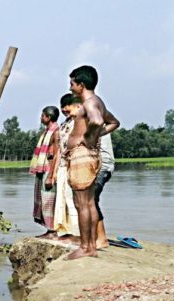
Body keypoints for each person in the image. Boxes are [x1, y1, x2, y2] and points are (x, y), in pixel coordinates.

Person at [65, 65, 120, 260]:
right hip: (87, 155)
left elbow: (97, 121)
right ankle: (90, 246)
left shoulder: (89, 103)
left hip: (83, 155)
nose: (70, 87)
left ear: (81, 84)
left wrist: (87, 137)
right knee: (88, 203)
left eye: (72, 83)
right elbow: (114, 122)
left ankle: (86, 246)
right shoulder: (97, 101)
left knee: (82, 203)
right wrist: (96, 135)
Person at [29, 106, 60, 239]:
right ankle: (49, 230)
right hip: (43, 170)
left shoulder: (55, 132)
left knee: (49, 200)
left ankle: (52, 231)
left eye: (42, 116)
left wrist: (51, 176)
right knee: (42, 200)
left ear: (48, 117)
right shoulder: (47, 131)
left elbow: (56, 154)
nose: (41, 118)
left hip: (48, 169)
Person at [53, 94, 80, 241]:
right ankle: (65, 231)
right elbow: (59, 148)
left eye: (66, 106)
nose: (64, 109)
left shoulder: (80, 122)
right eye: (62, 107)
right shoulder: (65, 124)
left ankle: (77, 233)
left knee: (72, 199)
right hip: (63, 165)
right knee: (62, 199)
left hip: (75, 165)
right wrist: (56, 171)